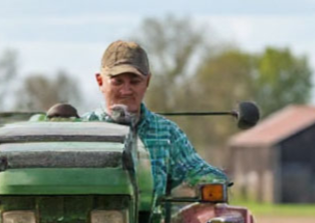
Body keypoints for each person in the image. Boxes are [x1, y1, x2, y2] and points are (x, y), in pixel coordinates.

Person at [79, 40, 226, 196]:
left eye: (134, 82)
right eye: (118, 82)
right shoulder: (82, 130)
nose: (126, 90)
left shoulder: (166, 133)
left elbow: (200, 171)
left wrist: (210, 182)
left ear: (147, 81)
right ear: (100, 81)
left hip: (150, 212)